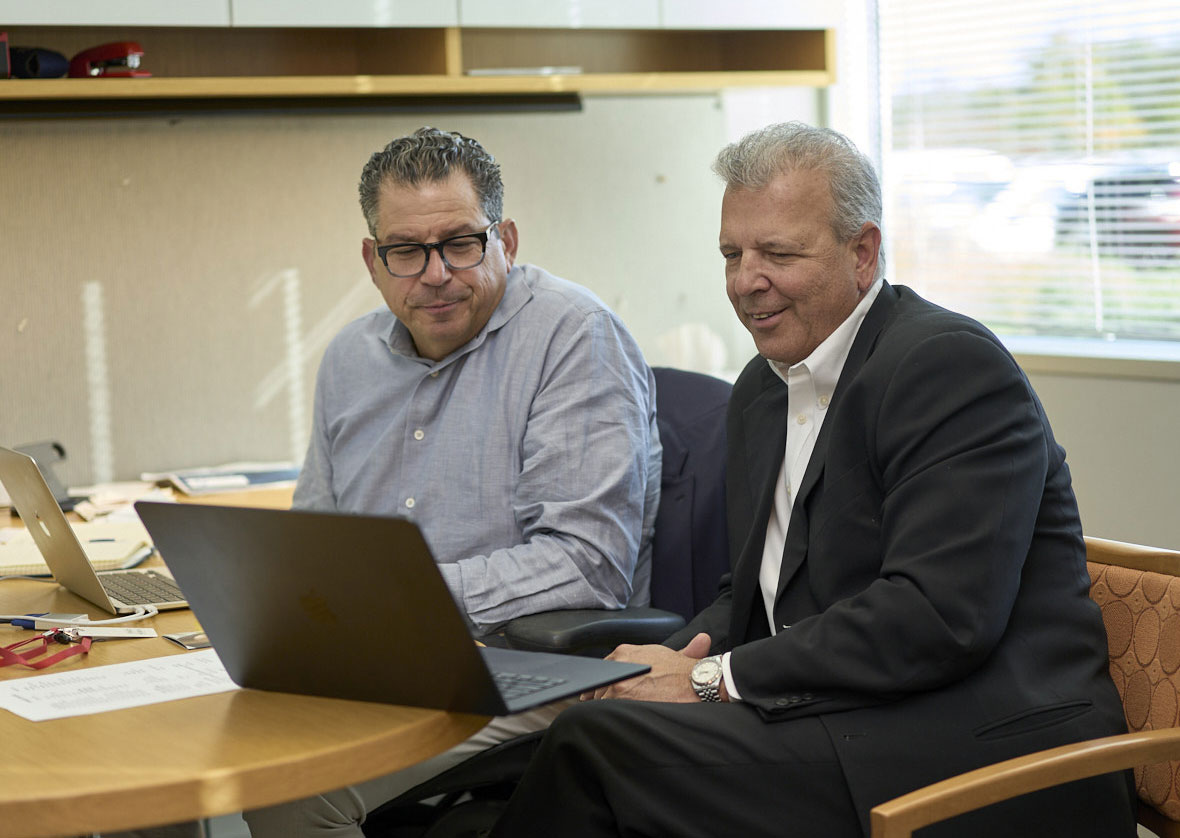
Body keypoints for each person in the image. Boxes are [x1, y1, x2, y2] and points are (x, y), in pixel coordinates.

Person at [489, 122, 1137, 837]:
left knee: (596, 751)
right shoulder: (761, 392)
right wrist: (661, 664)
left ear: (863, 252)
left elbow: (935, 618)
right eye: (732, 254)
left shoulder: (948, 366)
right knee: (605, 719)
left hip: (982, 747)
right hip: (839, 716)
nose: (745, 281)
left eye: (778, 253)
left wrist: (710, 681)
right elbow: (753, 595)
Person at [242, 127, 662, 837]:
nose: (435, 273)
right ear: (373, 261)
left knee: (292, 784)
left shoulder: (574, 336)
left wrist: (399, 605)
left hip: (528, 668)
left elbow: (587, 565)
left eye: (461, 243)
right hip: (377, 665)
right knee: (181, 740)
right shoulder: (349, 359)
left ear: (508, 240)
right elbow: (318, 541)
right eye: (407, 251)